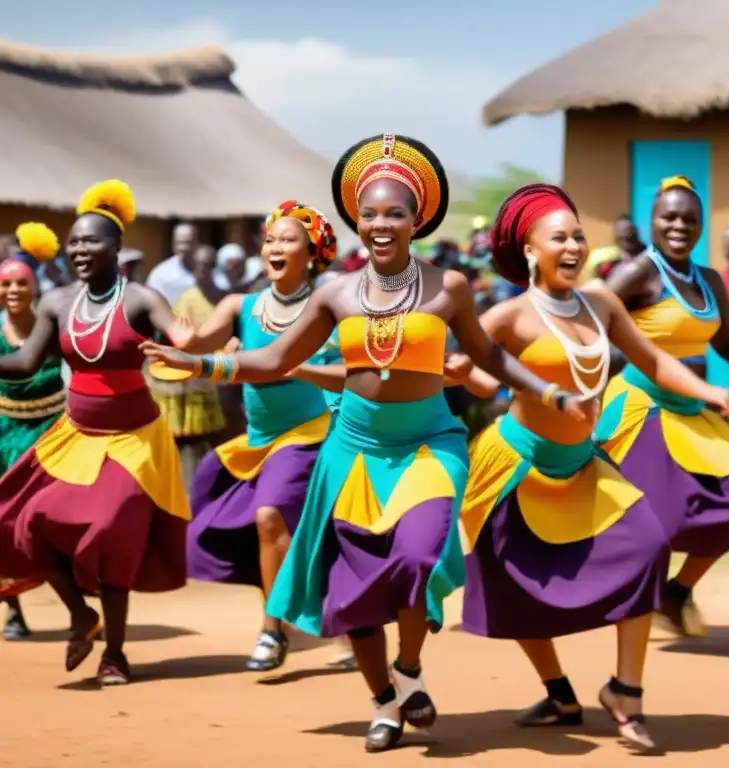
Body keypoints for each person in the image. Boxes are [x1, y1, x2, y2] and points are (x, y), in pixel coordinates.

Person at [139, 132, 591, 753]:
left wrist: (550, 392)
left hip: (431, 443)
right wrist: (202, 366)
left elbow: (489, 357)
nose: (381, 224)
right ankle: (384, 702)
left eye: (395, 213)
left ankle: (409, 667)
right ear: (356, 222)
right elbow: (271, 359)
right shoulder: (335, 295)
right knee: (355, 589)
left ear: (417, 221)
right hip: (351, 452)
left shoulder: (449, 287)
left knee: (415, 553)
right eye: (370, 214)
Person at [454, 184, 729, 752]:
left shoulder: (603, 304)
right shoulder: (509, 315)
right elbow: (483, 379)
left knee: (649, 545)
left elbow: (655, 359)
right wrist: (456, 369)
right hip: (516, 467)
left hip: (583, 463)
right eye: (558, 237)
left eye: (579, 236)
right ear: (530, 250)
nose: (573, 246)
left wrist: (705, 388)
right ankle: (559, 692)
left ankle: (625, 691)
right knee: (516, 584)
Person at [0, 180, 190, 685]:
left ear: (117, 249)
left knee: (111, 533)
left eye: (92, 241)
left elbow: (183, 337)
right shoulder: (59, 302)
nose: (80, 249)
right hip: (77, 434)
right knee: (31, 519)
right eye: (75, 241)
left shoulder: (143, 299)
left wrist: (201, 348)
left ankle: (115, 654)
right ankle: (82, 616)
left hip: (135, 439)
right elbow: (22, 362)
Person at [596, 175, 729, 638]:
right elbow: (588, 329)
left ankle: (677, 592)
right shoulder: (638, 272)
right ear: (653, 222)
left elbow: (728, 347)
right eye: (669, 217)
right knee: (661, 519)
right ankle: (626, 614)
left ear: (701, 225)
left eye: (689, 219)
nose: (679, 225)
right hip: (642, 406)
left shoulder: (710, 281)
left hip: (692, 409)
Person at [173, 200, 347, 671]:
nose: (275, 246)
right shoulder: (239, 305)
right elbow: (197, 347)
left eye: (288, 239)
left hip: (309, 433)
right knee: (223, 506)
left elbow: (351, 367)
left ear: (312, 252)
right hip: (258, 439)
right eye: (270, 239)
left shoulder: (327, 305)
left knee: (270, 517)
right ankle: (329, 620)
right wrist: (182, 342)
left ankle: (273, 630)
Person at [0, 225, 67, 640]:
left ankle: (78, 600)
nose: (12, 290)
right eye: (5, 283)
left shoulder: (54, 324)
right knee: (4, 520)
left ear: (35, 285)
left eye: (21, 283)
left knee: (55, 519)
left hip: (52, 431)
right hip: (5, 432)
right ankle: (14, 610)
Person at [148, 245, 228, 483]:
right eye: (198, 267)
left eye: (207, 267)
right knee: (191, 438)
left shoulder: (224, 298)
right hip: (197, 371)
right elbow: (179, 337)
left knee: (220, 435)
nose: (202, 272)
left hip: (226, 366)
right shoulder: (187, 299)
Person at [146, 222, 200, 306]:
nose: (183, 247)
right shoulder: (161, 274)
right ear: (173, 244)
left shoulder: (206, 270)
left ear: (196, 242)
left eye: (188, 242)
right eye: (180, 243)